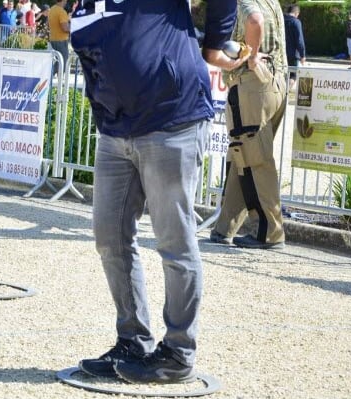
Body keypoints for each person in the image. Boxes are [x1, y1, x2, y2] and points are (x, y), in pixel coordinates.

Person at [71, 0, 242, 384]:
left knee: (174, 242)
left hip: (170, 118)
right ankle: (133, 340)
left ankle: (179, 352)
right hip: (116, 131)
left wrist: (215, 43)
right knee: (109, 238)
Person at [210, 0, 287, 250]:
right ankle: (224, 228)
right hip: (274, 83)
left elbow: (255, 21)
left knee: (254, 160)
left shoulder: (244, 2)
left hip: (251, 85)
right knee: (244, 156)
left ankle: (269, 232)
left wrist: (252, 57)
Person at [283, 4, 305, 84]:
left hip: (281, 52)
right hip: (293, 55)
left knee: (282, 75)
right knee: (293, 76)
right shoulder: (296, 22)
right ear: (297, 13)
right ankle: (285, 93)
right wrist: (302, 55)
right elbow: (299, 40)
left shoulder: (281, 20)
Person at [46, 0, 68, 71]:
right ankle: (59, 81)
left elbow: (47, 24)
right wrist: (74, 28)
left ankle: (50, 79)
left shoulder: (51, 9)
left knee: (56, 62)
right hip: (61, 40)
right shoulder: (62, 12)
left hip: (53, 39)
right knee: (63, 63)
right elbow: (65, 28)